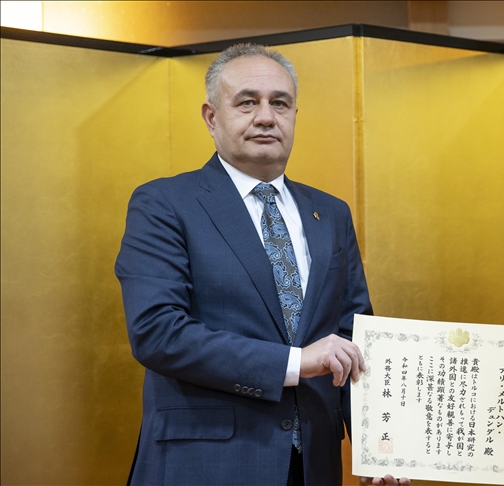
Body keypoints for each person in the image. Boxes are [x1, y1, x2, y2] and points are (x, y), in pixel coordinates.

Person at [116, 43, 408, 485]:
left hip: (313, 463)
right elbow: (157, 332)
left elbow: (353, 335)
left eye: (280, 103)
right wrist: (295, 362)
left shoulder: (330, 212)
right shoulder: (165, 203)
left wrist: (377, 445)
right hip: (205, 463)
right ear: (212, 117)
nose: (267, 117)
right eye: (247, 102)